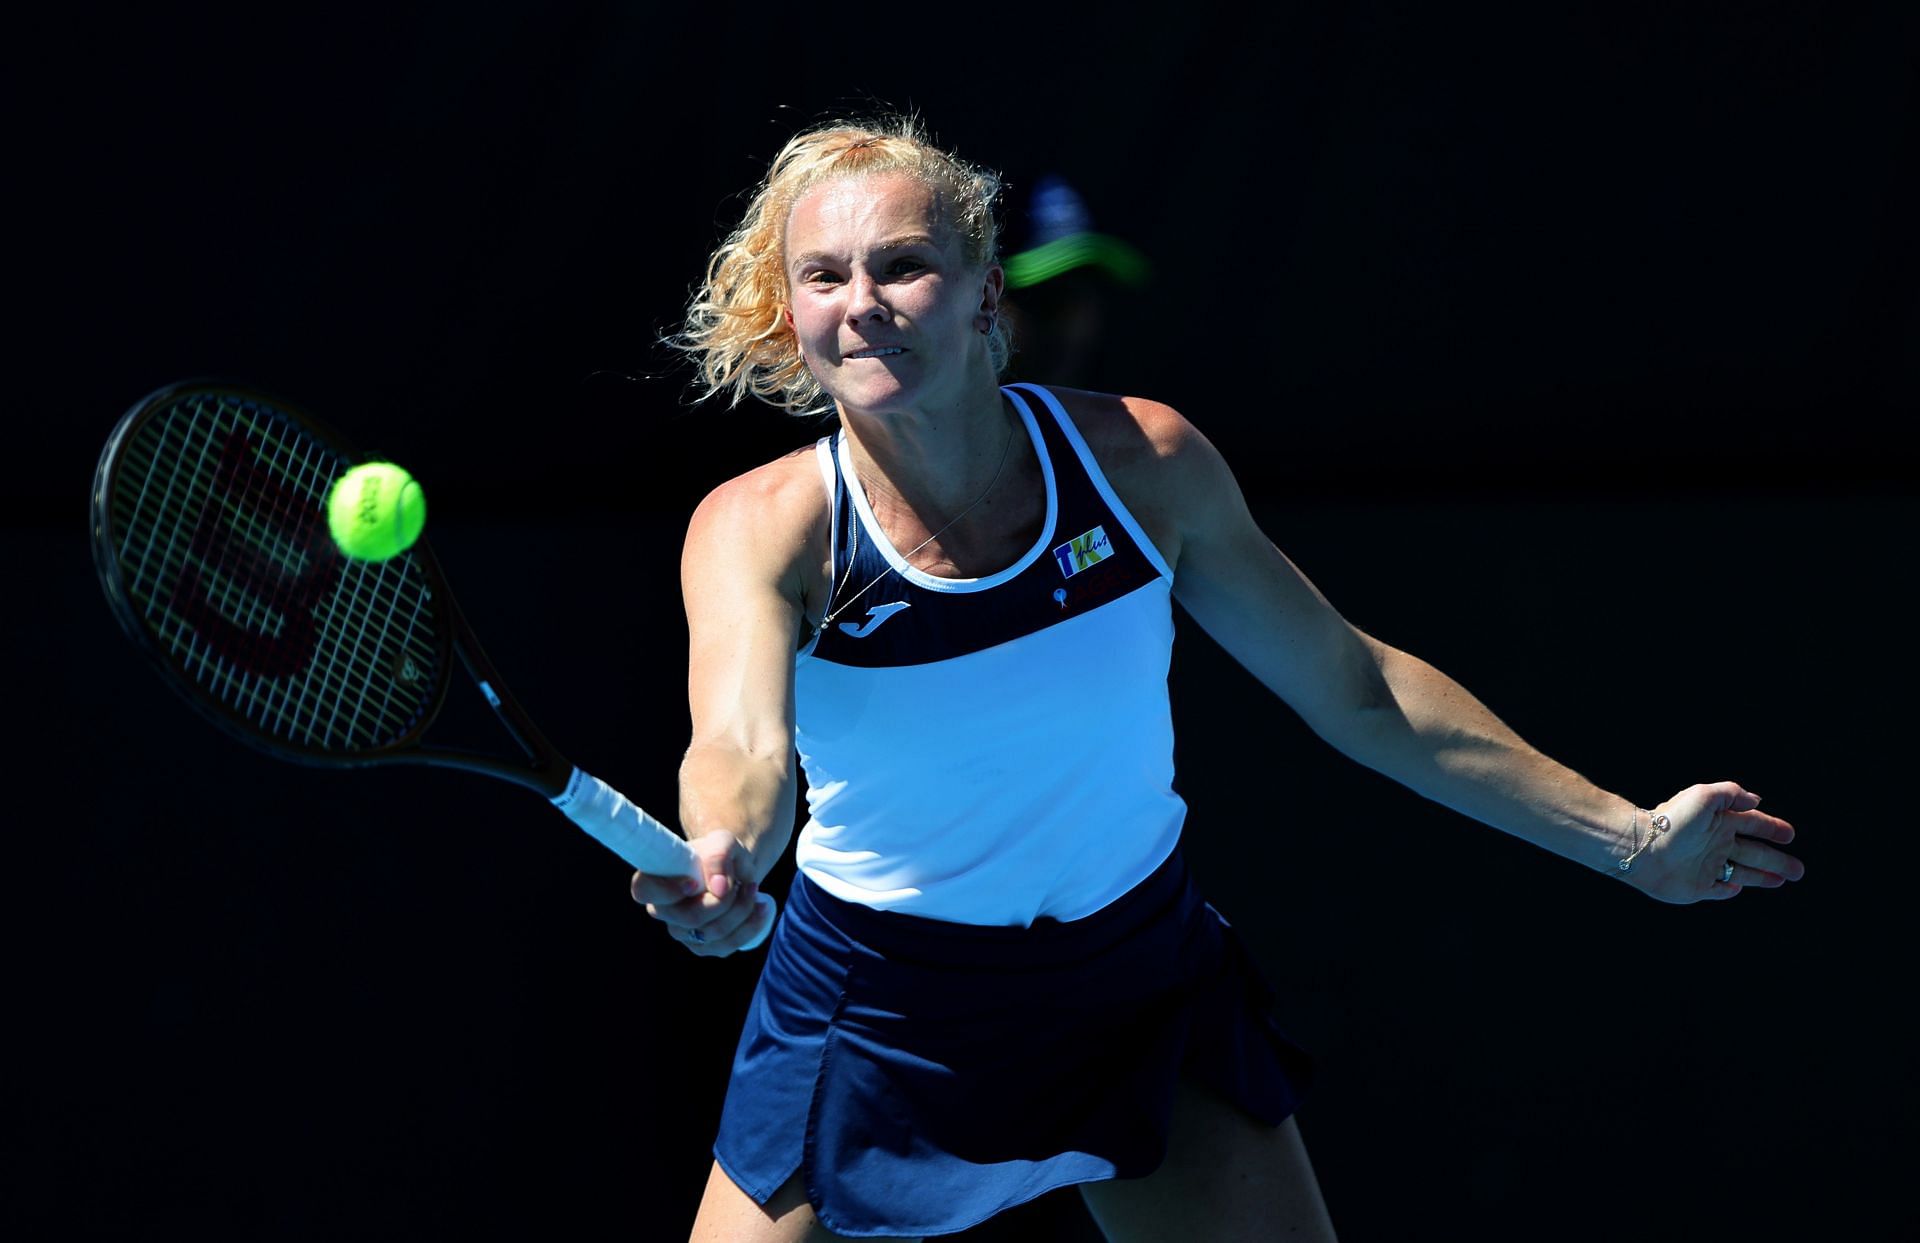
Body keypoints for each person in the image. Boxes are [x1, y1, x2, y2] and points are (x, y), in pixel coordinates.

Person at [631, 116, 1804, 1243]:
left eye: (903, 265)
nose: (864, 304)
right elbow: (742, 749)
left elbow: (1360, 689)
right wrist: (728, 848)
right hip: (877, 1010)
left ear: (989, 294)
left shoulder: (1144, 466)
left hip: (1137, 983)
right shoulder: (762, 529)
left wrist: (1633, 840)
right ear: (793, 311)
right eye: (825, 276)